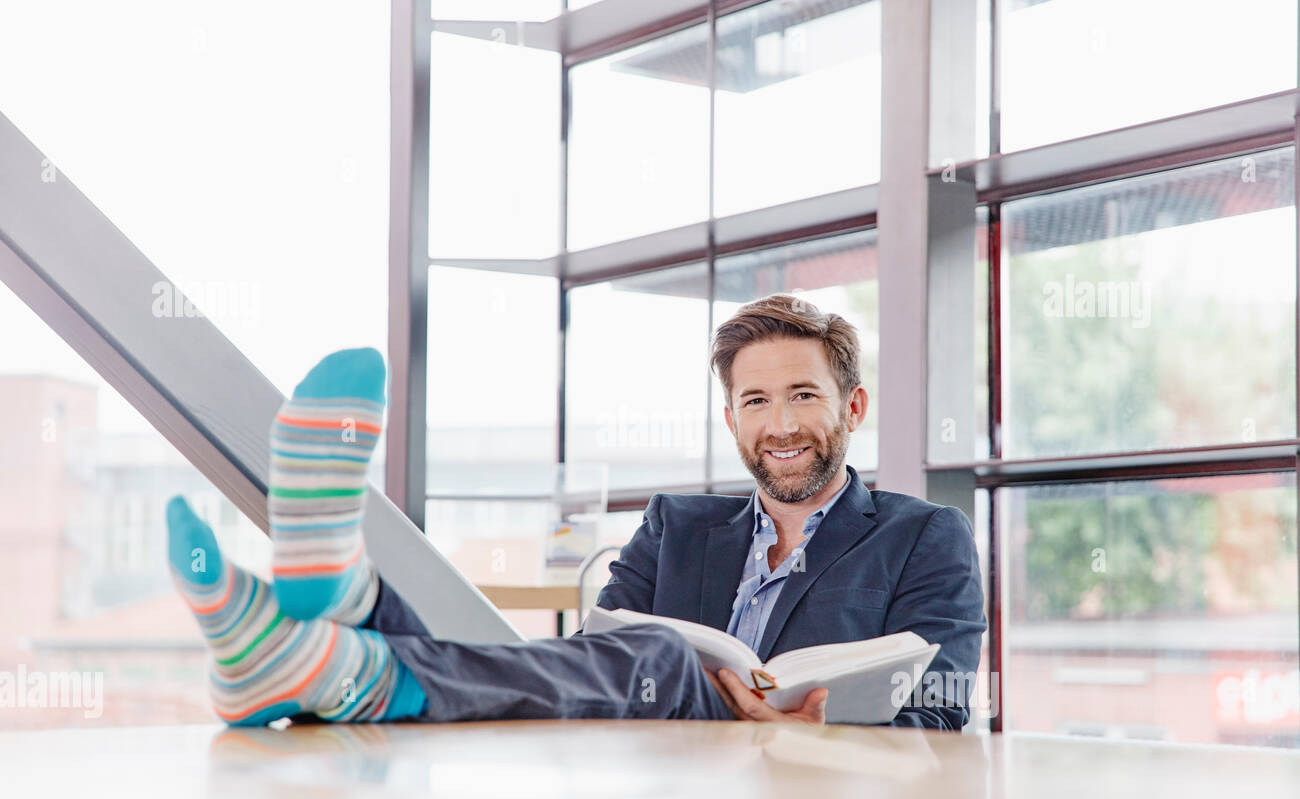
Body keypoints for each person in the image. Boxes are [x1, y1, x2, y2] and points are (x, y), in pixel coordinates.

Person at [165, 293, 986, 729]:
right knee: (630, 660)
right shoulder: (678, 525)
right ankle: (343, 620)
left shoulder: (924, 536)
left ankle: (351, 629)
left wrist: (814, 724)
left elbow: (946, 706)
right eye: (756, 400)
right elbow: (590, 659)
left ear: (854, 406)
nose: (780, 425)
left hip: (811, 785)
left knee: (657, 659)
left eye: (805, 395)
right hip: (661, 757)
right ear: (731, 418)